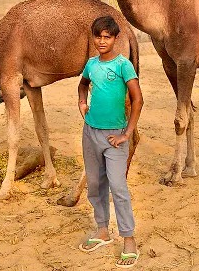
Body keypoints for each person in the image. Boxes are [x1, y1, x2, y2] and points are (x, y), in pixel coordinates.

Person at [77, 15, 143, 268]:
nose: (102, 41)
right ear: (93, 38)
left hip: (115, 136)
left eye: (107, 37)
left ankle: (128, 239)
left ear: (115, 39)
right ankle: (103, 231)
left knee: (118, 187)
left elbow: (138, 99)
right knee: (94, 183)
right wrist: (82, 103)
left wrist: (127, 133)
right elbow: (83, 85)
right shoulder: (91, 64)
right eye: (98, 36)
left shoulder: (123, 65)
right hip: (90, 132)